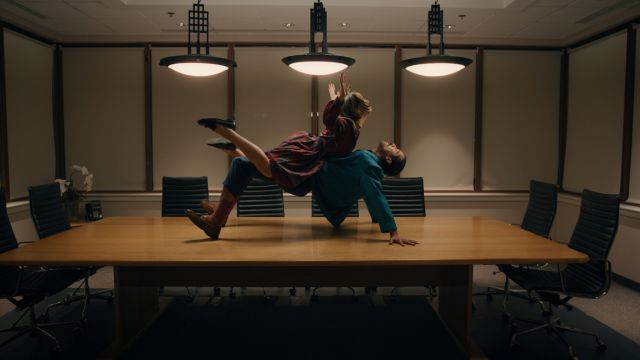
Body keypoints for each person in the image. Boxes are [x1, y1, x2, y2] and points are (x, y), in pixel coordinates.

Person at [186, 140, 416, 246]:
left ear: (388, 159)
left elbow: (375, 195)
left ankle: (216, 221)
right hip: (306, 174)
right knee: (246, 166)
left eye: (396, 150)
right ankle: (220, 213)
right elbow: (370, 192)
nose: (393, 144)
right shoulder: (368, 163)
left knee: (242, 165)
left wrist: (392, 231)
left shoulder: (370, 165)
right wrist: (377, 220)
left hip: (304, 176)